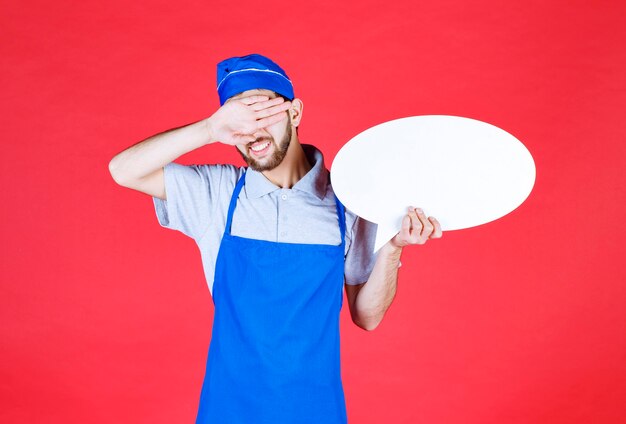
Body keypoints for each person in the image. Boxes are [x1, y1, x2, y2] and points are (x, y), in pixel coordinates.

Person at [108, 53, 442, 424]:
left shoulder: (347, 204)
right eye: (239, 120)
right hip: (227, 411)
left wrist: (394, 249)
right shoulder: (216, 193)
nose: (252, 132)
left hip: (316, 412)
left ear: (295, 113)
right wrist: (209, 128)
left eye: (262, 114)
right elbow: (123, 170)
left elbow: (368, 317)